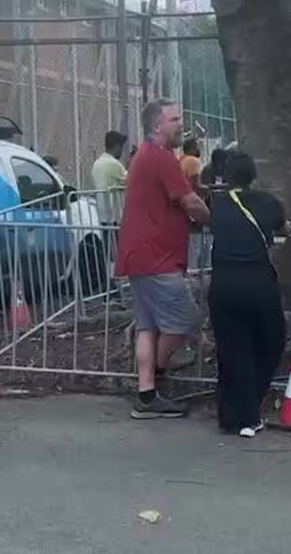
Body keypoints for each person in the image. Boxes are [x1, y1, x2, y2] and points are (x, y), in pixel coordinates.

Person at [115, 100, 211, 419]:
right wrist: (214, 219)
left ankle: (146, 394)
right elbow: (191, 201)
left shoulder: (144, 154)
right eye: (174, 119)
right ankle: (157, 368)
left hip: (138, 254)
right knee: (186, 317)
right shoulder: (161, 158)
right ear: (157, 126)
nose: (180, 124)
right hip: (156, 257)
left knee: (148, 325)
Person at [207, 152, 288, 438]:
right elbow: (283, 227)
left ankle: (233, 415)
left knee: (232, 349)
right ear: (253, 175)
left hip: (223, 284)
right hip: (258, 282)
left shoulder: (217, 205)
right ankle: (251, 406)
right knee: (272, 339)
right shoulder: (268, 203)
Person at [179, 138, 206, 272]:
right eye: (197, 146)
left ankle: (189, 267)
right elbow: (196, 184)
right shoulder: (194, 162)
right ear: (192, 148)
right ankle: (195, 269)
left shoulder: (180, 160)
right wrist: (209, 189)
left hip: (181, 204)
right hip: (192, 204)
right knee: (197, 239)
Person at [92, 131, 129, 225]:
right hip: (115, 217)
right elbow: (132, 181)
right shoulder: (114, 164)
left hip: (101, 215)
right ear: (117, 146)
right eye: (121, 147)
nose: (122, 151)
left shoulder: (97, 163)